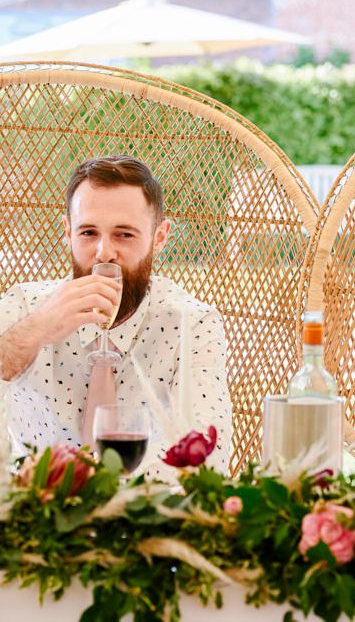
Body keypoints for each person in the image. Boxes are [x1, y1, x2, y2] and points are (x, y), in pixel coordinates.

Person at [0, 155, 231, 473]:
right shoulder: (25, 305)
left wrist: (95, 492)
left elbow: (208, 455)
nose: (104, 253)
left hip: (143, 514)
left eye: (124, 234)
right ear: (67, 233)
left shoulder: (193, 325)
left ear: (159, 237)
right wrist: (36, 329)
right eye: (88, 233)